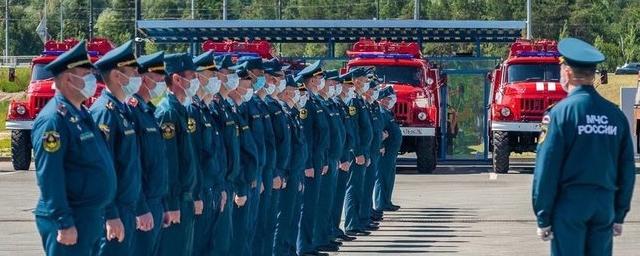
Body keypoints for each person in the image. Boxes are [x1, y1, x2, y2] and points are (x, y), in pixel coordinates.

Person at [532, 37, 636, 256]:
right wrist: (618, 213)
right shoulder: (615, 115)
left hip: (570, 206)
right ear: (592, 74)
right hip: (604, 206)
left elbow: (546, 169)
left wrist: (543, 216)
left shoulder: (559, 114)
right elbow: (627, 169)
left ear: (567, 72)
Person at [32, 40, 116, 256]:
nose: (93, 79)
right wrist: (63, 221)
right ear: (70, 78)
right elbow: (50, 175)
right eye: (87, 74)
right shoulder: (53, 119)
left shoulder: (81, 114)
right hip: (71, 218)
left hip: (89, 216)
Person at [90, 40, 143, 256]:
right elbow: (103, 170)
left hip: (127, 209)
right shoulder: (104, 113)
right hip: (113, 212)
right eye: (132, 72)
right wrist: (110, 214)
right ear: (117, 76)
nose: (138, 77)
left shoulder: (123, 111)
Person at [154, 53, 199, 256]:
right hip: (176, 201)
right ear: (177, 79)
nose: (195, 81)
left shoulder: (181, 110)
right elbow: (169, 164)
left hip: (186, 198)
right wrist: (171, 204)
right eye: (192, 76)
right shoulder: (167, 113)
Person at [129, 51, 169, 256]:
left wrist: (163, 204)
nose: (163, 81)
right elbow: (134, 166)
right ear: (144, 79)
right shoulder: (132, 112)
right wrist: (141, 207)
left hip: (155, 200)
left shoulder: (149, 111)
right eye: (158, 77)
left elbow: (158, 163)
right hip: (142, 203)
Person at [295, 60, 331, 256]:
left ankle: (310, 243)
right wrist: (308, 163)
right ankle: (303, 246)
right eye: (319, 78)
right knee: (306, 205)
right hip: (310, 161)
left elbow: (323, 135)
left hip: (318, 159)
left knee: (313, 203)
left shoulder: (315, 101)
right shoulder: (306, 104)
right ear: (310, 80)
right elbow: (306, 136)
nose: (321, 81)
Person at [255, 58, 290, 256]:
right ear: (268, 78)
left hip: (275, 171)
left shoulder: (272, 104)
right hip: (267, 173)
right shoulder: (264, 105)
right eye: (279, 77)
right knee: (260, 227)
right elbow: (268, 144)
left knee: (268, 224)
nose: (282, 81)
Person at [191, 50, 224, 255]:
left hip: (212, 186)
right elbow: (192, 157)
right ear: (198, 77)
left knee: (210, 242)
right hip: (200, 188)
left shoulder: (204, 109)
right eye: (211, 76)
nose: (215, 81)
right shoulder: (192, 111)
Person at [209, 54, 240, 255]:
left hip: (227, 182)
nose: (232, 78)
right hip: (215, 185)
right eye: (228, 73)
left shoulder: (225, 106)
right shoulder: (212, 107)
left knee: (225, 240)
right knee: (215, 242)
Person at [228, 61, 260, 256]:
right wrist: (240, 185)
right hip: (236, 183)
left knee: (247, 231)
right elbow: (234, 154)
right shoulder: (232, 112)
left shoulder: (238, 110)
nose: (250, 89)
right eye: (247, 85)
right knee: (237, 235)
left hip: (248, 178)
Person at [312, 70, 346, 251]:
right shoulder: (314, 104)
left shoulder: (326, 104)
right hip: (321, 161)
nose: (333, 87)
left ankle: (324, 235)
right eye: (329, 83)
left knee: (327, 201)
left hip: (331, 159)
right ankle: (314, 240)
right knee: (318, 203)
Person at [273, 75, 307, 256]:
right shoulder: (284, 113)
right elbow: (284, 147)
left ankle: (289, 250)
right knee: (284, 216)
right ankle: (279, 251)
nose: (298, 95)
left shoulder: (292, 114)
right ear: (286, 93)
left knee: (293, 216)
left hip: (296, 171)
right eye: (295, 92)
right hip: (288, 171)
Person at [343, 67, 374, 237]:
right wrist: (357, 152)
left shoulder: (360, 101)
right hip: (358, 153)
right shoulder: (353, 102)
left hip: (364, 151)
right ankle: (351, 223)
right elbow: (353, 129)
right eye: (364, 80)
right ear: (355, 81)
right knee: (353, 188)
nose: (366, 84)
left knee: (359, 188)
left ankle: (358, 221)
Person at [330, 75, 358, 243]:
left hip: (341, 157)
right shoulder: (331, 105)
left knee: (336, 196)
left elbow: (345, 133)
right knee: (329, 199)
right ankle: (326, 232)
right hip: (334, 159)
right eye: (341, 85)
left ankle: (333, 228)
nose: (346, 89)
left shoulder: (338, 105)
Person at [373, 86, 402, 213]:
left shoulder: (387, 112)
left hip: (391, 152)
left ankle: (387, 201)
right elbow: (379, 131)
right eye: (389, 98)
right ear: (382, 99)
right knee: (382, 177)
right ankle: (380, 203)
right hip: (385, 152)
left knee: (389, 177)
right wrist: (381, 146)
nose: (392, 100)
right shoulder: (381, 112)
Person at [359, 80, 384, 230]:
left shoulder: (370, 105)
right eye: (372, 89)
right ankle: (357, 221)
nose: (374, 92)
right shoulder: (358, 104)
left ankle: (365, 216)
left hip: (371, 151)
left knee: (367, 187)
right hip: (362, 153)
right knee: (358, 190)